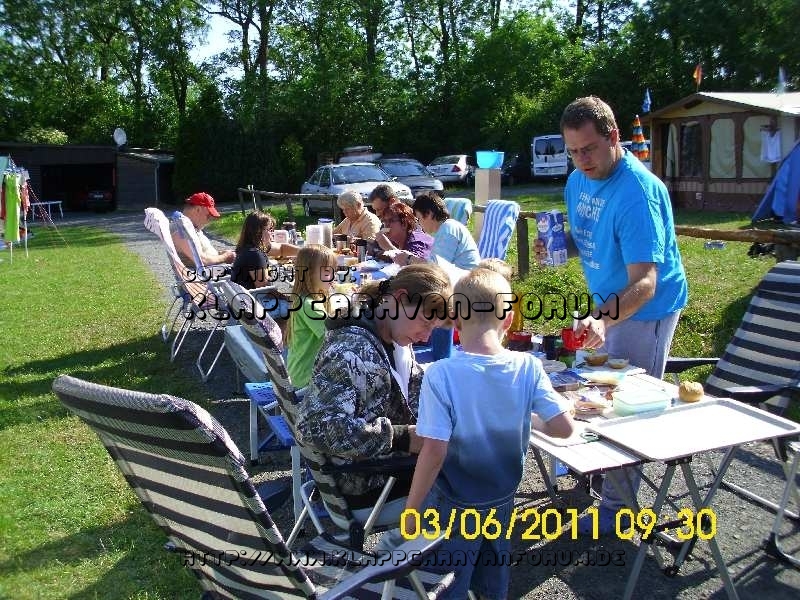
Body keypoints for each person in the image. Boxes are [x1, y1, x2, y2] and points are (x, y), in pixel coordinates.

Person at [535, 95, 688, 533]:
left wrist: (603, 319)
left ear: (613, 137)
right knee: (589, 396)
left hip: (645, 309)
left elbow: (646, 281)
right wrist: (560, 242)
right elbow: (592, 237)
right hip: (605, 304)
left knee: (626, 407)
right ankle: (591, 482)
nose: (581, 160)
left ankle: (616, 510)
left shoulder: (638, 192)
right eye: (573, 151)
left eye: (589, 149)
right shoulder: (577, 180)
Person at [404, 268, 574, 599]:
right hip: (502, 501)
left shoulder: (440, 375)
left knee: (446, 584)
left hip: (452, 506)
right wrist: (527, 417)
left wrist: (412, 510)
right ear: (508, 320)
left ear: (455, 320)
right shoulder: (529, 367)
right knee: (493, 581)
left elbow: (434, 451)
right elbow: (563, 428)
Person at [295, 264, 453, 527]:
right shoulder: (351, 349)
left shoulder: (391, 336)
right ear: (399, 298)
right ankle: (424, 560)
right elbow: (315, 427)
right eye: (426, 323)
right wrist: (401, 438)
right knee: (473, 482)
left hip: (384, 472)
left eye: (433, 328)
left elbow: (403, 395)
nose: (426, 337)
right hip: (367, 484)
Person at [285, 244, 338, 390]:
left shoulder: (307, 297)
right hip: (305, 380)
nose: (333, 276)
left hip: (298, 372)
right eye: (327, 271)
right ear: (309, 274)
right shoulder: (309, 305)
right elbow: (335, 335)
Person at [230, 210, 300, 290]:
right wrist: (289, 299)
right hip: (255, 299)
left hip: (244, 297)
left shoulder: (247, 246)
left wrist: (304, 252)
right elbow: (265, 291)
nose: (272, 233)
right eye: (269, 230)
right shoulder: (255, 255)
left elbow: (281, 248)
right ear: (258, 232)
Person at [411, 192, 481, 269]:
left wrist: (409, 259)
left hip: (467, 278)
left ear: (429, 214)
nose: (418, 223)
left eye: (419, 218)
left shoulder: (448, 228)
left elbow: (436, 267)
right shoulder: (445, 229)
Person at [171, 192, 236, 266]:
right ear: (198, 209)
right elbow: (202, 260)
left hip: (209, 270)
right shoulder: (181, 230)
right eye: (208, 216)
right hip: (205, 274)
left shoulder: (189, 227)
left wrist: (219, 254)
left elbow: (202, 254)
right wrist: (225, 257)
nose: (210, 220)